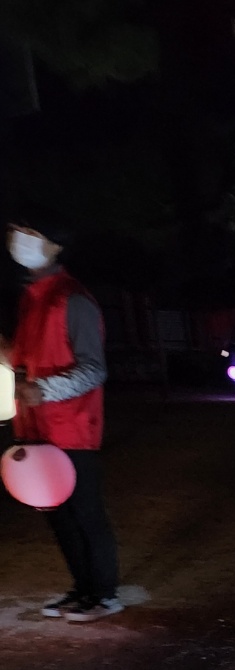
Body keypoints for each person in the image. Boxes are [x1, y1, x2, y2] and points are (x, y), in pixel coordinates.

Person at [3, 214, 121, 622]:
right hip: (34, 428)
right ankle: (82, 588)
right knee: (58, 516)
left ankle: (105, 594)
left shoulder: (73, 299)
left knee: (85, 514)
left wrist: (44, 391)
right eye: (16, 232)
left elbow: (94, 369)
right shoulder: (31, 299)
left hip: (71, 428)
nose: (18, 239)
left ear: (56, 245)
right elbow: (25, 361)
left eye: (30, 233)